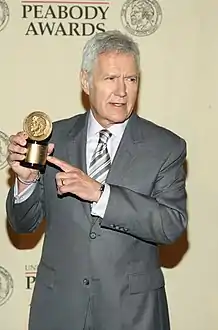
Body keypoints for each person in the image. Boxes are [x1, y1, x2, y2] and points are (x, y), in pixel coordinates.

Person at [6, 30, 187, 330]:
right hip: (58, 311)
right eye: (110, 78)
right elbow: (22, 224)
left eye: (131, 80)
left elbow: (171, 225)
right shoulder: (53, 140)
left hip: (133, 314)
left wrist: (102, 195)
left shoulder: (166, 147)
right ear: (85, 81)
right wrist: (25, 183)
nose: (122, 92)